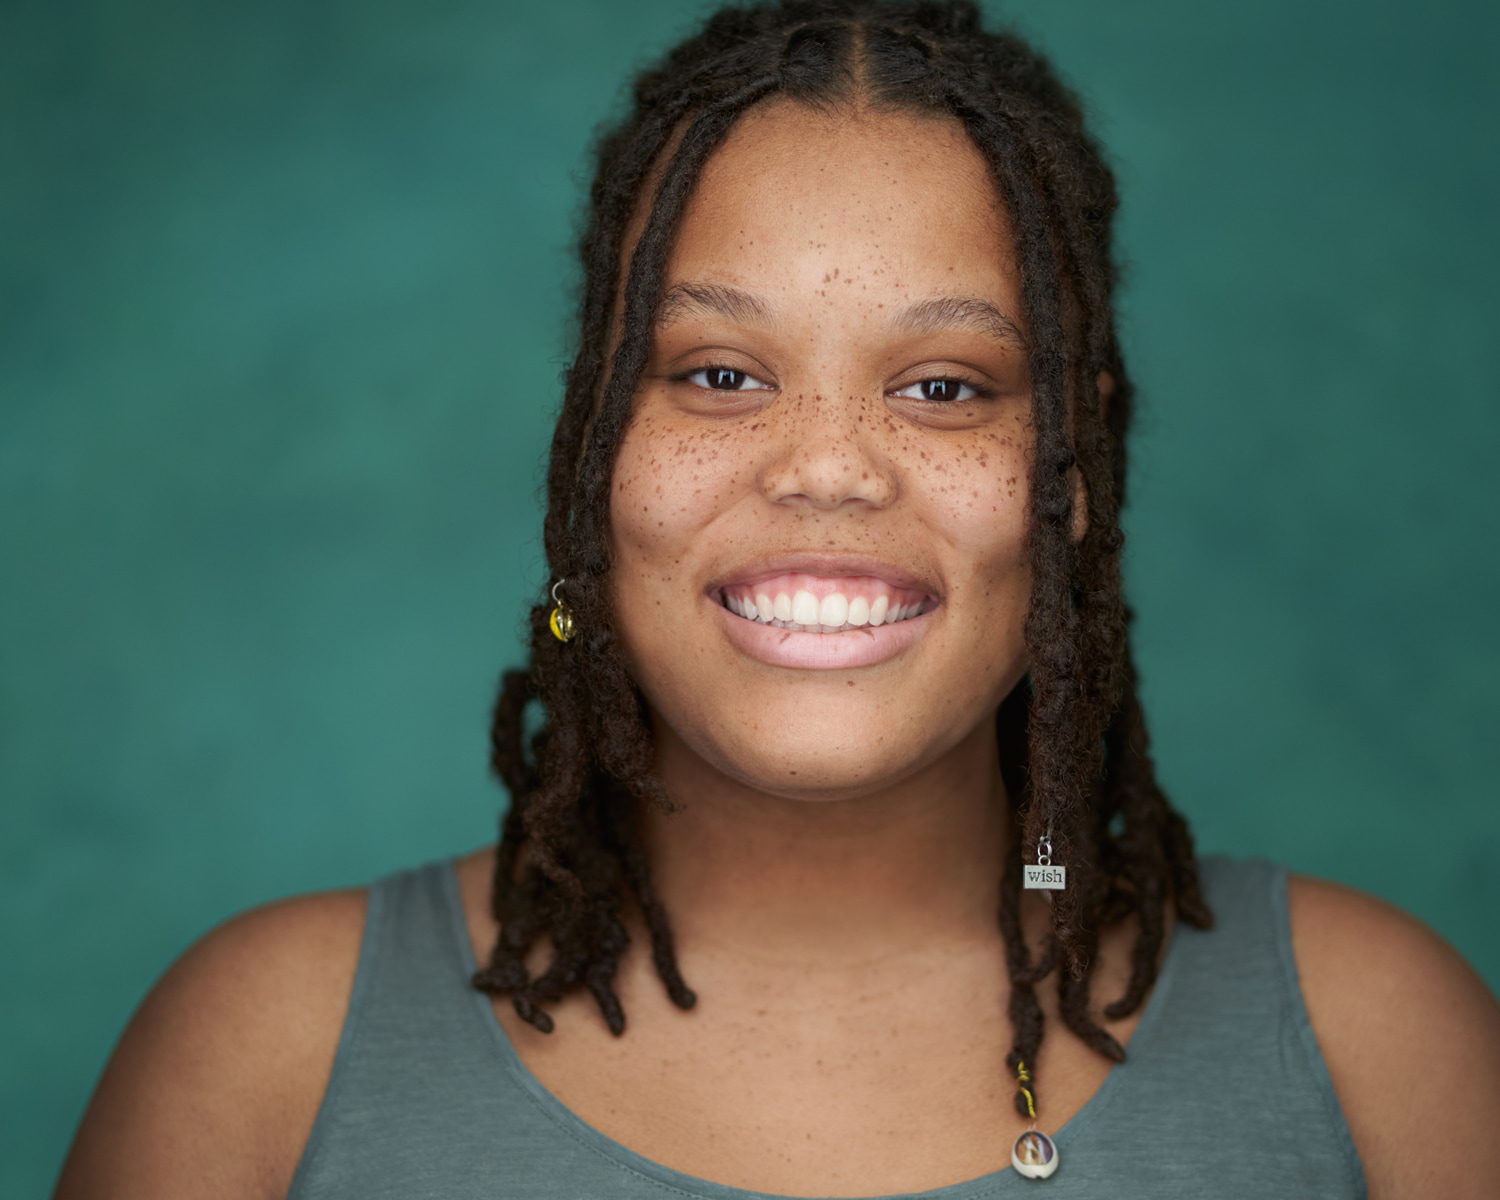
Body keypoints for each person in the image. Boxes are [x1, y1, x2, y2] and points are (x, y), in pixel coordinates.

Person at [54, 2, 1500, 1197]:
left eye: (945, 388)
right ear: (591, 450)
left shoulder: (1380, 1050)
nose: (827, 469)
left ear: (1072, 477)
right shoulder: (263, 1057)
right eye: (719, 375)